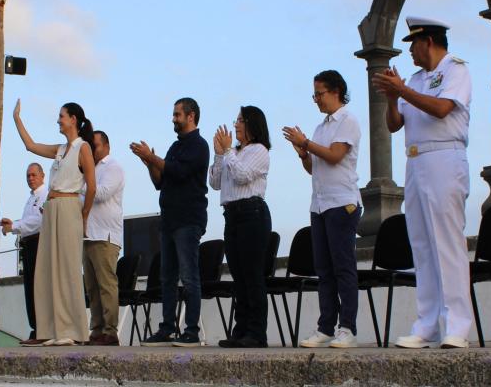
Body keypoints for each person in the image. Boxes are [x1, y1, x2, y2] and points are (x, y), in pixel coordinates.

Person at [372, 17, 473, 350]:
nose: (410, 50)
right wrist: (392, 96)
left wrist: (403, 90)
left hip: (445, 157)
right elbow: (394, 124)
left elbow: (443, 109)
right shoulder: (415, 79)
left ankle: (456, 325)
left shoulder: (455, 70)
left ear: (428, 41)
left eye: (413, 43)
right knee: (423, 246)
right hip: (415, 161)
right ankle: (427, 323)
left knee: (447, 243)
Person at [283, 70, 362, 349]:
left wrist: (306, 143)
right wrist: (303, 153)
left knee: (343, 267)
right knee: (324, 269)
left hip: (342, 202)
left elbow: (335, 155)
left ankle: (347, 327)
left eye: (320, 93)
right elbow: (314, 168)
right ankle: (326, 326)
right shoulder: (320, 128)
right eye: (314, 94)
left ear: (336, 91)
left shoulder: (348, 120)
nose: (316, 99)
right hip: (319, 204)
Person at [13, 100, 97, 347]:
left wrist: (85, 215)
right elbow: (30, 146)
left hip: (69, 206)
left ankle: (72, 330)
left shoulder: (84, 148)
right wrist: (17, 119)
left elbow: (91, 186)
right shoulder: (60, 149)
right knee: (47, 269)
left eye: (62, 116)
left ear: (73, 119)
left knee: (68, 268)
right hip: (51, 210)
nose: (58, 120)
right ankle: (49, 330)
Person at [130, 97, 209, 347]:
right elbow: (160, 182)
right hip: (170, 220)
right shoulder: (175, 147)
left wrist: (152, 158)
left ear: (191, 116)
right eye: (173, 115)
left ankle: (192, 331)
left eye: (177, 114)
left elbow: (179, 172)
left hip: (188, 220)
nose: (173, 119)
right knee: (167, 277)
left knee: (189, 276)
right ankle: (167, 328)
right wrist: (149, 163)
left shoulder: (199, 145)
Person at [210, 106, 272, 348]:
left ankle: (257, 333)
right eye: (235, 120)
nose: (235, 125)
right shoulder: (231, 153)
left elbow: (242, 176)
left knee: (252, 274)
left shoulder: (259, 151)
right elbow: (215, 183)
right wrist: (219, 154)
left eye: (240, 121)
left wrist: (227, 151)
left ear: (252, 125)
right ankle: (241, 329)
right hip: (232, 215)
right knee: (238, 275)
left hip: (252, 213)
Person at [84, 130, 125, 346]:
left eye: (96, 146)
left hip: (105, 235)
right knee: (91, 286)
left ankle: (110, 331)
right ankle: (97, 330)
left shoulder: (113, 168)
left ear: (107, 146)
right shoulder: (89, 170)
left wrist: (79, 185)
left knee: (106, 285)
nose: (93, 150)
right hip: (88, 235)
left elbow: (101, 194)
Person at [0, 163, 48, 341]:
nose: (30, 178)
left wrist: (14, 227)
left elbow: (38, 222)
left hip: (38, 244)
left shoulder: (45, 194)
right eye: (28, 175)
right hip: (28, 245)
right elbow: (27, 222)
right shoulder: (30, 198)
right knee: (29, 288)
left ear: (42, 176)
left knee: (37, 288)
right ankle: (35, 328)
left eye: (34, 175)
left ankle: (42, 329)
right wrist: (13, 224)